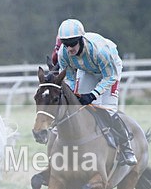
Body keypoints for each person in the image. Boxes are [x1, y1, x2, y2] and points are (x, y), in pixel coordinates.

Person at [56, 18, 137, 166]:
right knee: (80, 108)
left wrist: (93, 94)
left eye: (72, 44)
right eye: (66, 44)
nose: (69, 49)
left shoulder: (100, 51)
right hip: (87, 70)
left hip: (109, 71)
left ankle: (126, 148)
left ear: (81, 39)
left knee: (107, 110)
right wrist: (74, 94)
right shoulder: (64, 53)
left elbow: (110, 77)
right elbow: (69, 78)